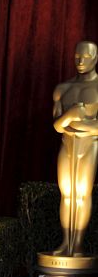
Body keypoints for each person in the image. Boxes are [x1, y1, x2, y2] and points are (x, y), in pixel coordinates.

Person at [52, 40, 98, 256]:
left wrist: (72, 122)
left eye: (86, 57)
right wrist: (72, 116)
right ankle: (65, 243)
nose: (80, 61)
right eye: (77, 56)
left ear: (95, 58)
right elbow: (57, 125)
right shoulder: (63, 88)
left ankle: (77, 244)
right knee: (67, 195)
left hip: (89, 147)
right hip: (67, 146)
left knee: (82, 194)